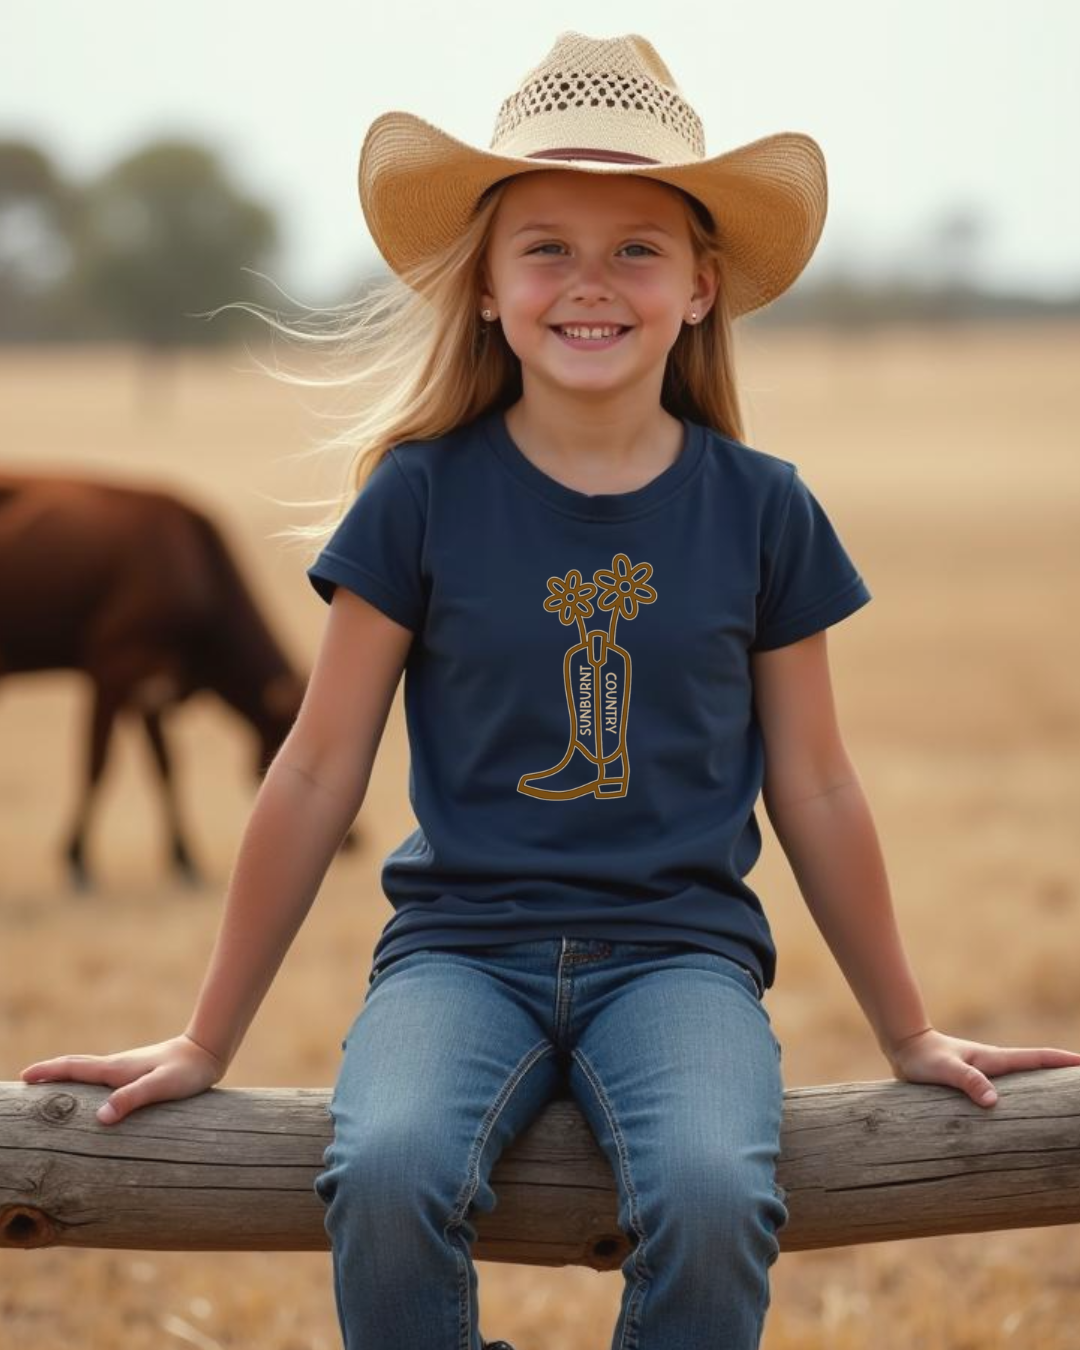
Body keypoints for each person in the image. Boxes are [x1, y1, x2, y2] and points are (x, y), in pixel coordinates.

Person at [20, 30, 1080, 1350]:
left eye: (636, 246)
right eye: (547, 246)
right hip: (458, 953)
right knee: (389, 1170)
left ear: (700, 286)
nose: (592, 282)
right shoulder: (417, 496)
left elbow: (815, 779)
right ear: (485, 287)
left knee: (710, 1193)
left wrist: (909, 1028)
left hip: (683, 960)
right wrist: (204, 1038)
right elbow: (313, 767)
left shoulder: (762, 510)